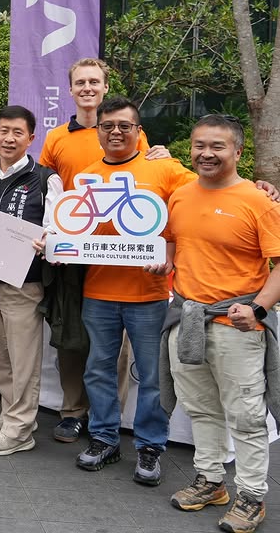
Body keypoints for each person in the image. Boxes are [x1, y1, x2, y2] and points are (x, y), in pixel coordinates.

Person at [159, 114, 280, 533]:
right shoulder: (180, 196)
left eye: (217, 147)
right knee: (201, 409)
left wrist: (259, 310)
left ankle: (251, 495)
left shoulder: (258, 201)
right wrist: (166, 263)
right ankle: (211, 481)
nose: (206, 154)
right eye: (199, 146)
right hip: (188, 318)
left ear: (238, 152)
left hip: (238, 323)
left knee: (246, 415)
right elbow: (175, 239)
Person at [38, 58, 166, 445]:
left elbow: (151, 173)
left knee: (119, 352)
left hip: (124, 261)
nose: (88, 88)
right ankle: (74, 413)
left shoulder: (130, 135)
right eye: (81, 82)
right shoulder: (57, 137)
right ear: (72, 88)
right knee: (74, 340)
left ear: (105, 87)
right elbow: (46, 185)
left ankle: (107, 420)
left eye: (95, 81)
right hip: (79, 255)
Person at [70, 97, 197, 484]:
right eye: (108, 126)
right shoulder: (86, 177)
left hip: (151, 293)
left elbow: (210, 189)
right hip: (99, 291)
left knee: (152, 376)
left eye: (125, 126)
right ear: (98, 131)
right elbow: (72, 229)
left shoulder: (164, 169)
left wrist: (263, 187)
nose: (116, 132)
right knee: (99, 370)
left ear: (139, 131)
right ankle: (104, 438)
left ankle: (149, 446)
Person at [0, 105, 61, 455]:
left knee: (23, 357)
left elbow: (56, 226)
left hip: (23, 283)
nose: (9, 138)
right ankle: (13, 413)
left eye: (18, 133)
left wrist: (47, 238)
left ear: (31, 138)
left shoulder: (44, 178)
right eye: (3, 131)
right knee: (0, 355)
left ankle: (20, 430)